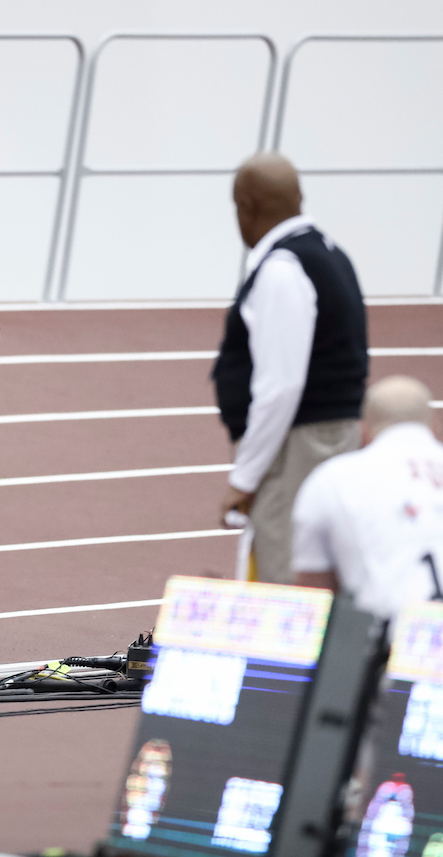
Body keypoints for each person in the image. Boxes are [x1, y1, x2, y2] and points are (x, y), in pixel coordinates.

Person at [213, 152, 369, 584]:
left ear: (246, 205)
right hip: (331, 440)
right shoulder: (332, 254)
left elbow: (280, 386)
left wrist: (244, 478)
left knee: (284, 582)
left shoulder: (283, 267)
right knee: (325, 574)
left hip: (299, 448)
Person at [293, 376, 443, 618]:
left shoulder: (330, 480)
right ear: (434, 426)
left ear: (364, 430)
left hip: (388, 642)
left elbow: (313, 597)